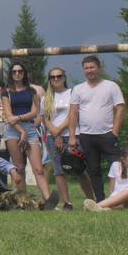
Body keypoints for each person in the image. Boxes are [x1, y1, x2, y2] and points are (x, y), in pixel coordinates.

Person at [66, 55, 125, 201]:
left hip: (107, 134)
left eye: (92, 67)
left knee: (118, 168)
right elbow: (73, 114)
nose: (89, 70)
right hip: (86, 136)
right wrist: (73, 136)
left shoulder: (111, 86)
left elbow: (121, 108)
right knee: (94, 170)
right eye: (86, 68)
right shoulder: (78, 89)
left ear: (99, 68)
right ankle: (100, 201)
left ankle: (120, 198)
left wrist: (115, 131)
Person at [2, 61, 57, 206]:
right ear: (11, 74)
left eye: (20, 71)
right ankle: (23, 201)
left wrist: (20, 119)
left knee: (38, 169)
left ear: (24, 73)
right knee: (19, 168)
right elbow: (8, 116)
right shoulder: (6, 92)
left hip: (31, 129)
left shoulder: (31, 91)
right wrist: (21, 131)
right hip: (13, 131)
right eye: (14, 72)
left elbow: (35, 111)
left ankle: (48, 200)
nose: (17, 74)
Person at [41, 67, 75, 211]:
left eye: (59, 76)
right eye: (53, 77)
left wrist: (59, 131)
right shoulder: (46, 97)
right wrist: (55, 134)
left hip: (71, 134)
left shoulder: (72, 93)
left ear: (64, 77)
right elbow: (45, 118)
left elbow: (73, 116)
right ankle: (67, 203)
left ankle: (92, 200)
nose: (56, 79)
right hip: (52, 137)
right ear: (49, 80)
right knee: (58, 170)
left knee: (79, 169)